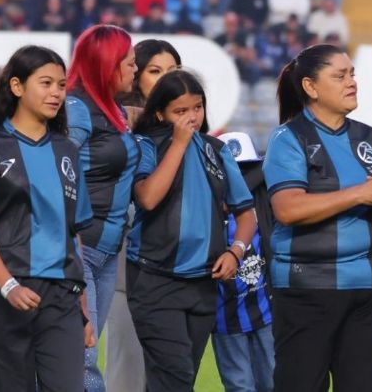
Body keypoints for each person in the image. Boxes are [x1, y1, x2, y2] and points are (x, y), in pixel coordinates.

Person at [263, 44, 372, 392]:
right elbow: (288, 209)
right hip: (307, 291)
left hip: (367, 291)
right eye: (340, 76)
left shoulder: (368, 138)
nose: (352, 82)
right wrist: (360, 193)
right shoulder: (289, 139)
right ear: (311, 88)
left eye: (352, 74)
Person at [0, 45, 95, 390]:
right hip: (2, 295)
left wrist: (84, 311)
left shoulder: (67, 151)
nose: (56, 93)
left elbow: (72, 234)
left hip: (61, 299)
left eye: (61, 85)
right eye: (45, 83)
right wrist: (8, 285)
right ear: (16, 86)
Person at [128, 70, 257, 390]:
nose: (192, 117)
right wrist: (179, 144)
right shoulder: (146, 145)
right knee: (175, 378)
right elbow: (147, 197)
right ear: (159, 113)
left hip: (204, 283)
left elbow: (246, 212)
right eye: (180, 111)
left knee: (176, 378)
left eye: (197, 108)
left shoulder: (216, 150)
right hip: (155, 278)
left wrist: (235, 252)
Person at [65, 24, 140, 392]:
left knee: (83, 354)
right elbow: (58, 171)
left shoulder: (113, 110)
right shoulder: (77, 109)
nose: (135, 69)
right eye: (129, 62)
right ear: (107, 64)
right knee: (83, 358)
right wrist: (72, 244)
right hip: (85, 247)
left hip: (108, 249)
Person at [104, 38, 182, 392]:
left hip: (178, 260)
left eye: (174, 71)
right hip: (127, 249)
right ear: (135, 77)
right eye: (155, 71)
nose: (167, 79)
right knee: (128, 363)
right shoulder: (118, 124)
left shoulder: (188, 129)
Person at [212, 132, 275, 392]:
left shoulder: (267, 205)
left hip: (266, 312)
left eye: (245, 171)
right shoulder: (209, 210)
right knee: (239, 386)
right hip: (224, 316)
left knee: (273, 382)